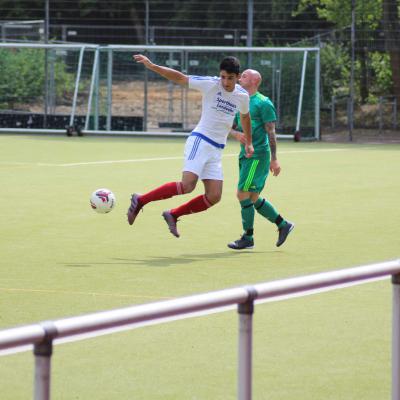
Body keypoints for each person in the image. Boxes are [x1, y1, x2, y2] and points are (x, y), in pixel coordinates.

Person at [127, 54, 253, 238]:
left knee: (214, 196)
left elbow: (245, 117)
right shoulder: (211, 84)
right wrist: (152, 66)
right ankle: (141, 200)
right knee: (187, 185)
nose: (225, 82)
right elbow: (180, 77)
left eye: (230, 78)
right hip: (200, 141)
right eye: (223, 77)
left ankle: (173, 214)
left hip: (216, 149)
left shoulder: (242, 95)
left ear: (237, 76)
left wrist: (248, 142)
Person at [227, 69, 294, 250]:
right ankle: (283, 224)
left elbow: (271, 133)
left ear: (256, 81)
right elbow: (230, 127)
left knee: (242, 193)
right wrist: (236, 134)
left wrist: (274, 159)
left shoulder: (263, 103)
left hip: (257, 157)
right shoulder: (240, 101)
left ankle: (248, 238)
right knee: (253, 197)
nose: (240, 78)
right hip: (244, 155)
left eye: (245, 76)